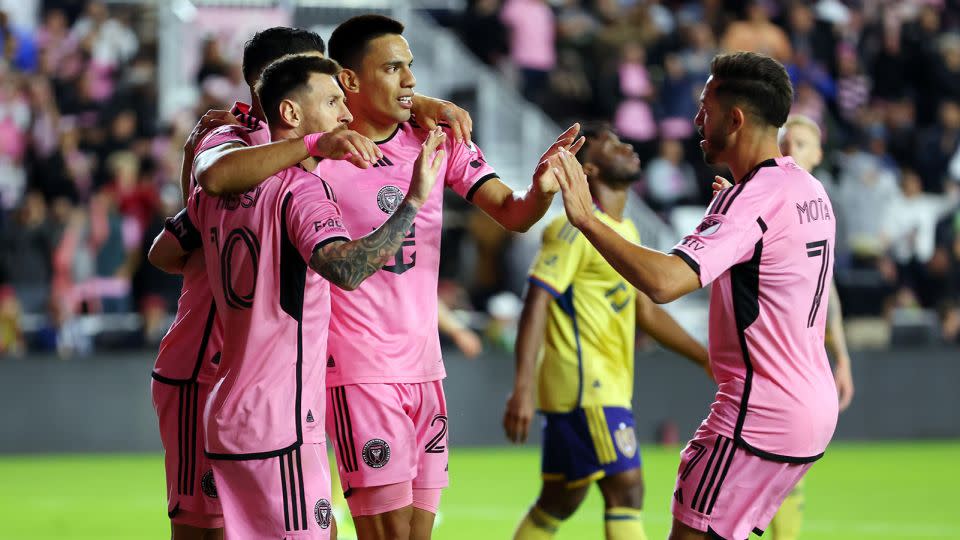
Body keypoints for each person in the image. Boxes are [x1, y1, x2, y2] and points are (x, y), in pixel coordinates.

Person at [152, 25, 476, 539]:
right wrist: (408, 199)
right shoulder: (246, 147)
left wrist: (417, 102)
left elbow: (166, 249)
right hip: (218, 376)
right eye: (329, 94)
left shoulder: (284, 168)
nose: (345, 107)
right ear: (280, 94)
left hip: (245, 388)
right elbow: (342, 266)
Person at [553, 51, 840, 540]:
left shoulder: (749, 201)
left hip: (757, 413)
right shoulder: (806, 188)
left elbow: (665, 283)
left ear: (736, 118)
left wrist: (587, 219)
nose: (695, 119)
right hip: (811, 408)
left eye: (705, 107)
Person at [321, 14, 582, 540]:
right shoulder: (319, 152)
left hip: (426, 367)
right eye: (393, 68)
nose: (411, 81)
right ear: (348, 80)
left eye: (411, 67)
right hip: (359, 368)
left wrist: (542, 189)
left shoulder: (436, 140)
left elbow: (512, 212)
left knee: (419, 534)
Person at [503, 123, 710, 540]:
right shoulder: (571, 228)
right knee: (626, 490)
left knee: (560, 499)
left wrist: (706, 357)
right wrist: (522, 388)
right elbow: (537, 300)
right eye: (612, 145)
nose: (628, 146)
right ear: (590, 169)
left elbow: (647, 315)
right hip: (586, 385)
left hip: (602, 385)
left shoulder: (625, 233)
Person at [712, 113, 853, 540]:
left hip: (784, 380)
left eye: (803, 144)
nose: (792, 150)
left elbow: (826, 289)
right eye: (788, 141)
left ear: (819, 153)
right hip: (770, 371)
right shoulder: (789, 201)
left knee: (713, 512)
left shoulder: (815, 204)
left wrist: (841, 356)